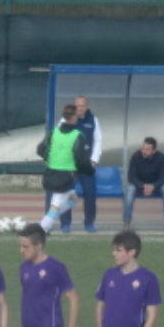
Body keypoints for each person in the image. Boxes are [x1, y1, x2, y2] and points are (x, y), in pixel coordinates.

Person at [36, 103, 91, 235]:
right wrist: (89, 170)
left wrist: (49, 159)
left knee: (73, 200)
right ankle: (39, 230)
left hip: (50, 173)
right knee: (55, 205)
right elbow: (81, 159)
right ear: (73, 117)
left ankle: (46, 222)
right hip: (65, 176)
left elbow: (40, 150)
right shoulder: (77, 135)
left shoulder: (53, 132)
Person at [58, 94, 102, 233]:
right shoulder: (65, 120)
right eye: (77, 106)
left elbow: (98, 141)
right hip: (69, 164)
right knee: (66, 192)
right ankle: (65, 223)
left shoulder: (93, 120)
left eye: (82, 106)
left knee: (90, 193)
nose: (80, 108)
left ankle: (89, 223)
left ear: (87, 107)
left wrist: (94, 159)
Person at [123, 137, 164, 232]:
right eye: (143, 148)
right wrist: (143, 186)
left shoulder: (161, 158)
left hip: (156, 186)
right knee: (129, 190)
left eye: (147, 149)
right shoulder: (136, 156)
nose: (144, 151)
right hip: (139, 185)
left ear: (154, 151)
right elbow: (131, 177)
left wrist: (153, 186)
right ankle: (126, 222)